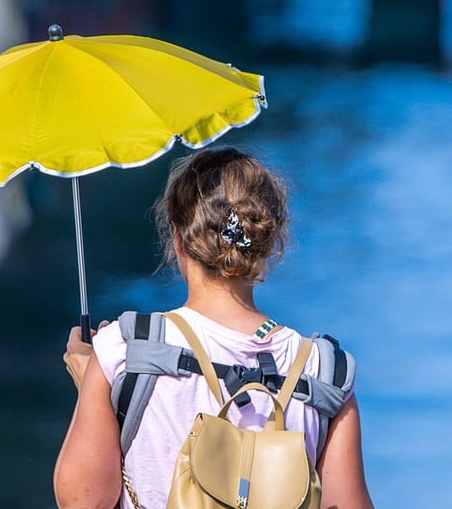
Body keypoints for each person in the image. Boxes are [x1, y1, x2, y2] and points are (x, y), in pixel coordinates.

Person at [54, 146, 374, 509]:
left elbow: (83, 501)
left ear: (176, 238)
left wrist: (94, 388)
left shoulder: (128, 350)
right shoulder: (325, 371)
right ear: (269, 245)